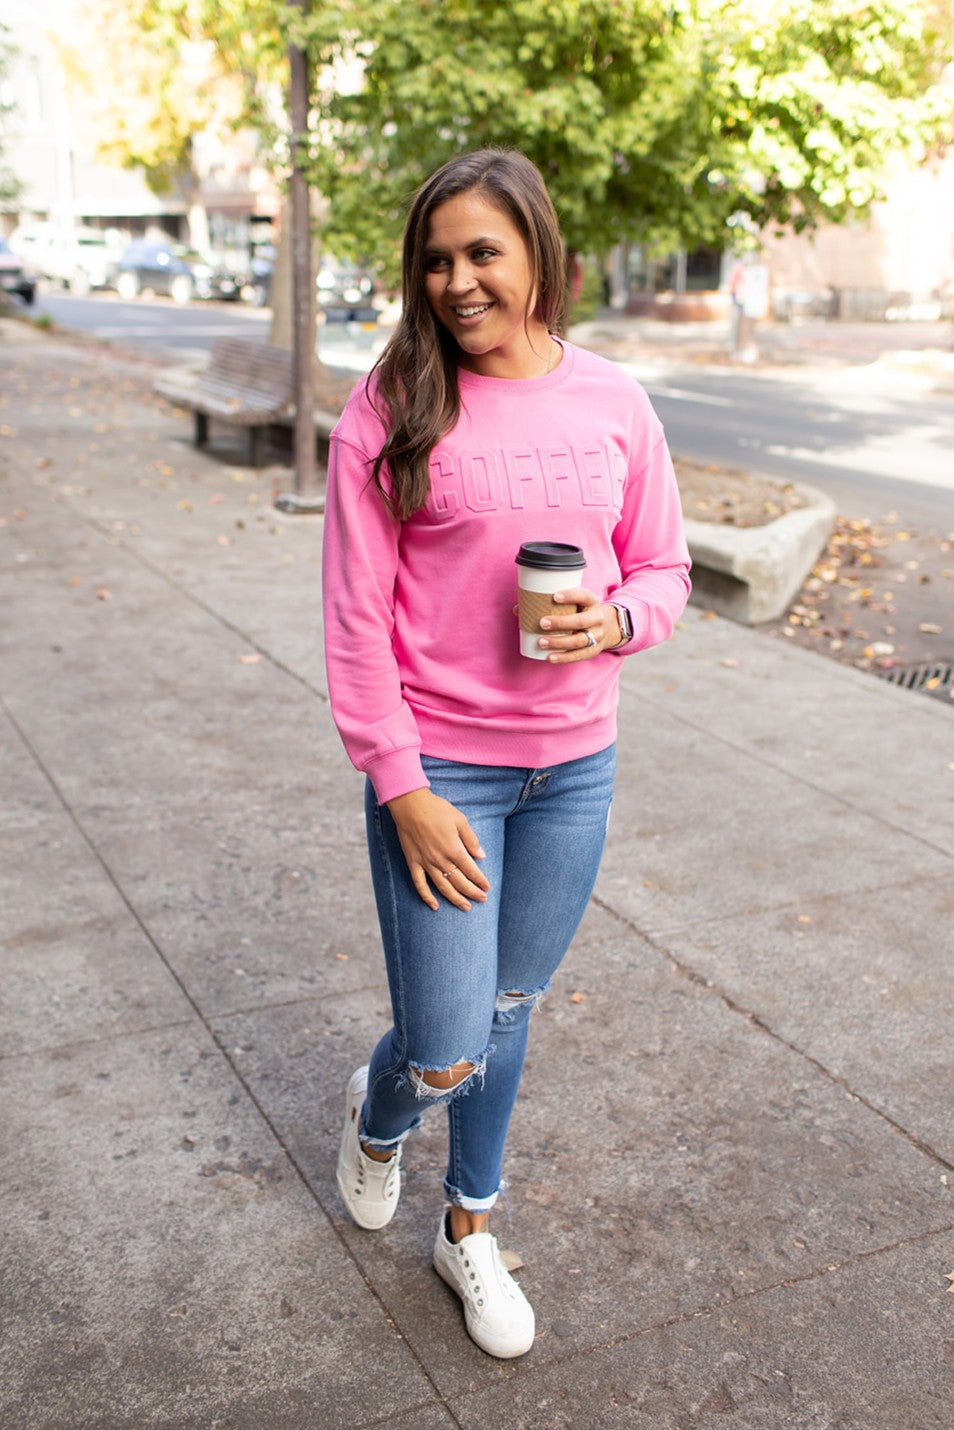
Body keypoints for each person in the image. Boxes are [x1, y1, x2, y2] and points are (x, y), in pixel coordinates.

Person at [321, 148, 691, 1359]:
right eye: (436, 260)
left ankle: (467, 1223)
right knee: (445, 1047)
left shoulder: (614, 403)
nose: (457, 281)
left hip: (573, 771)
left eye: (483, 252)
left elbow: (662, 567)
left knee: (512, 1002)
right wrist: (403, 785)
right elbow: (354, 618)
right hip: (444, 774)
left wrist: (622, 619)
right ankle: (381, 1119)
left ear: (537, 252)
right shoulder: (391, 404)